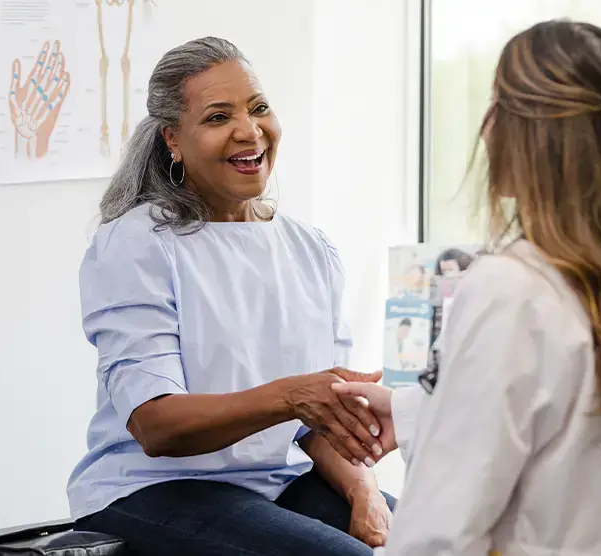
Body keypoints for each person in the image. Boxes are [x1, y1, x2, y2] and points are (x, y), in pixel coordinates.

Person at [333, 20, 601, 555]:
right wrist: (410, 412)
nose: (485, 129)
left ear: (534, 133)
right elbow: (568, 427)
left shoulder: (510, 289)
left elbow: (438, 533)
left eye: (497, 106)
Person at [66, 37, 395, 556]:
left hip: (278, 479)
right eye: (219, 117)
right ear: (173, 140)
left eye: (259, 108)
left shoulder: (311, 249)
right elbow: (157, 427)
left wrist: (365, 491)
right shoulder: (136, 246)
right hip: (154, 490)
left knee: (440, 537)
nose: (249, 131)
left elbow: (321, 422)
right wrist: (290, 396)